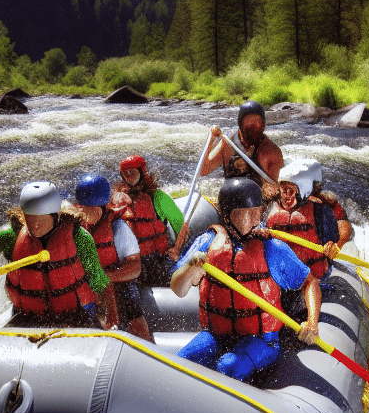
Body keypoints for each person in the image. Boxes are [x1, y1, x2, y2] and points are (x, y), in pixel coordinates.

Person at [169, 177, 321, 383]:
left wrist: (312, 323)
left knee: (228, 366)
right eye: (247, 212)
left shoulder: (272, 248)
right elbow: (178, 290)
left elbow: (310, 282)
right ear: (229, 214)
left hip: (262, 340)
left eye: (257, 211)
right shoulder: (207, 243)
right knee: (182, 362)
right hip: (218, 334)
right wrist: (190, 268)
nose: (256, 218)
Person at [0, 180, 109, 328]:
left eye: (41, 219)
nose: (35, 225)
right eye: (30, 218)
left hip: (74, 313)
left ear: (55, 215)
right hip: (28, 315)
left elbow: (100, 282)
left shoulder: (78, 237)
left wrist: (110, 318)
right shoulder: (10, 236)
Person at [70, 172, 153, 341]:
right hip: (85, 283)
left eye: (91, 209)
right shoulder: (73, 228)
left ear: (103, 207)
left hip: (117, 280)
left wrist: (105, 277)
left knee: (130, 301)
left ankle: (145, 339)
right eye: (83, 208)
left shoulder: (118, 228)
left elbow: (135, 267)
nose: (86, 214)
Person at [266, 158, 343, 300]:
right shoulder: (269, 210)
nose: (286, 196)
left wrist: (332, 246)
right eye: (284, 190)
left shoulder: (321, 213)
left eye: (291, 191)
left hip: (316, 280)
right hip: (282, 281)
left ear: (302, 191)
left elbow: (333, 243)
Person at [113, 155, 187, 287]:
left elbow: (181, 226)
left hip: (159, 258)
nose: (130, 177)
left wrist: (176, 249)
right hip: (134, 263)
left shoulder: (158, 197)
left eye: (133, 172)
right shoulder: (118, 200)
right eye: (126, 174)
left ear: (142, 172)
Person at [200, 100, 285, 195]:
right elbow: (203, 170)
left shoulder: (272, 152)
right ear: (240, 123)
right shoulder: (228, 144)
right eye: (249, 122)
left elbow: (277, 190)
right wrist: (211, 138)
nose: (253, 127)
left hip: (258, 202)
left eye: (258, 122)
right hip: (230, 196)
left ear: (263, 124)